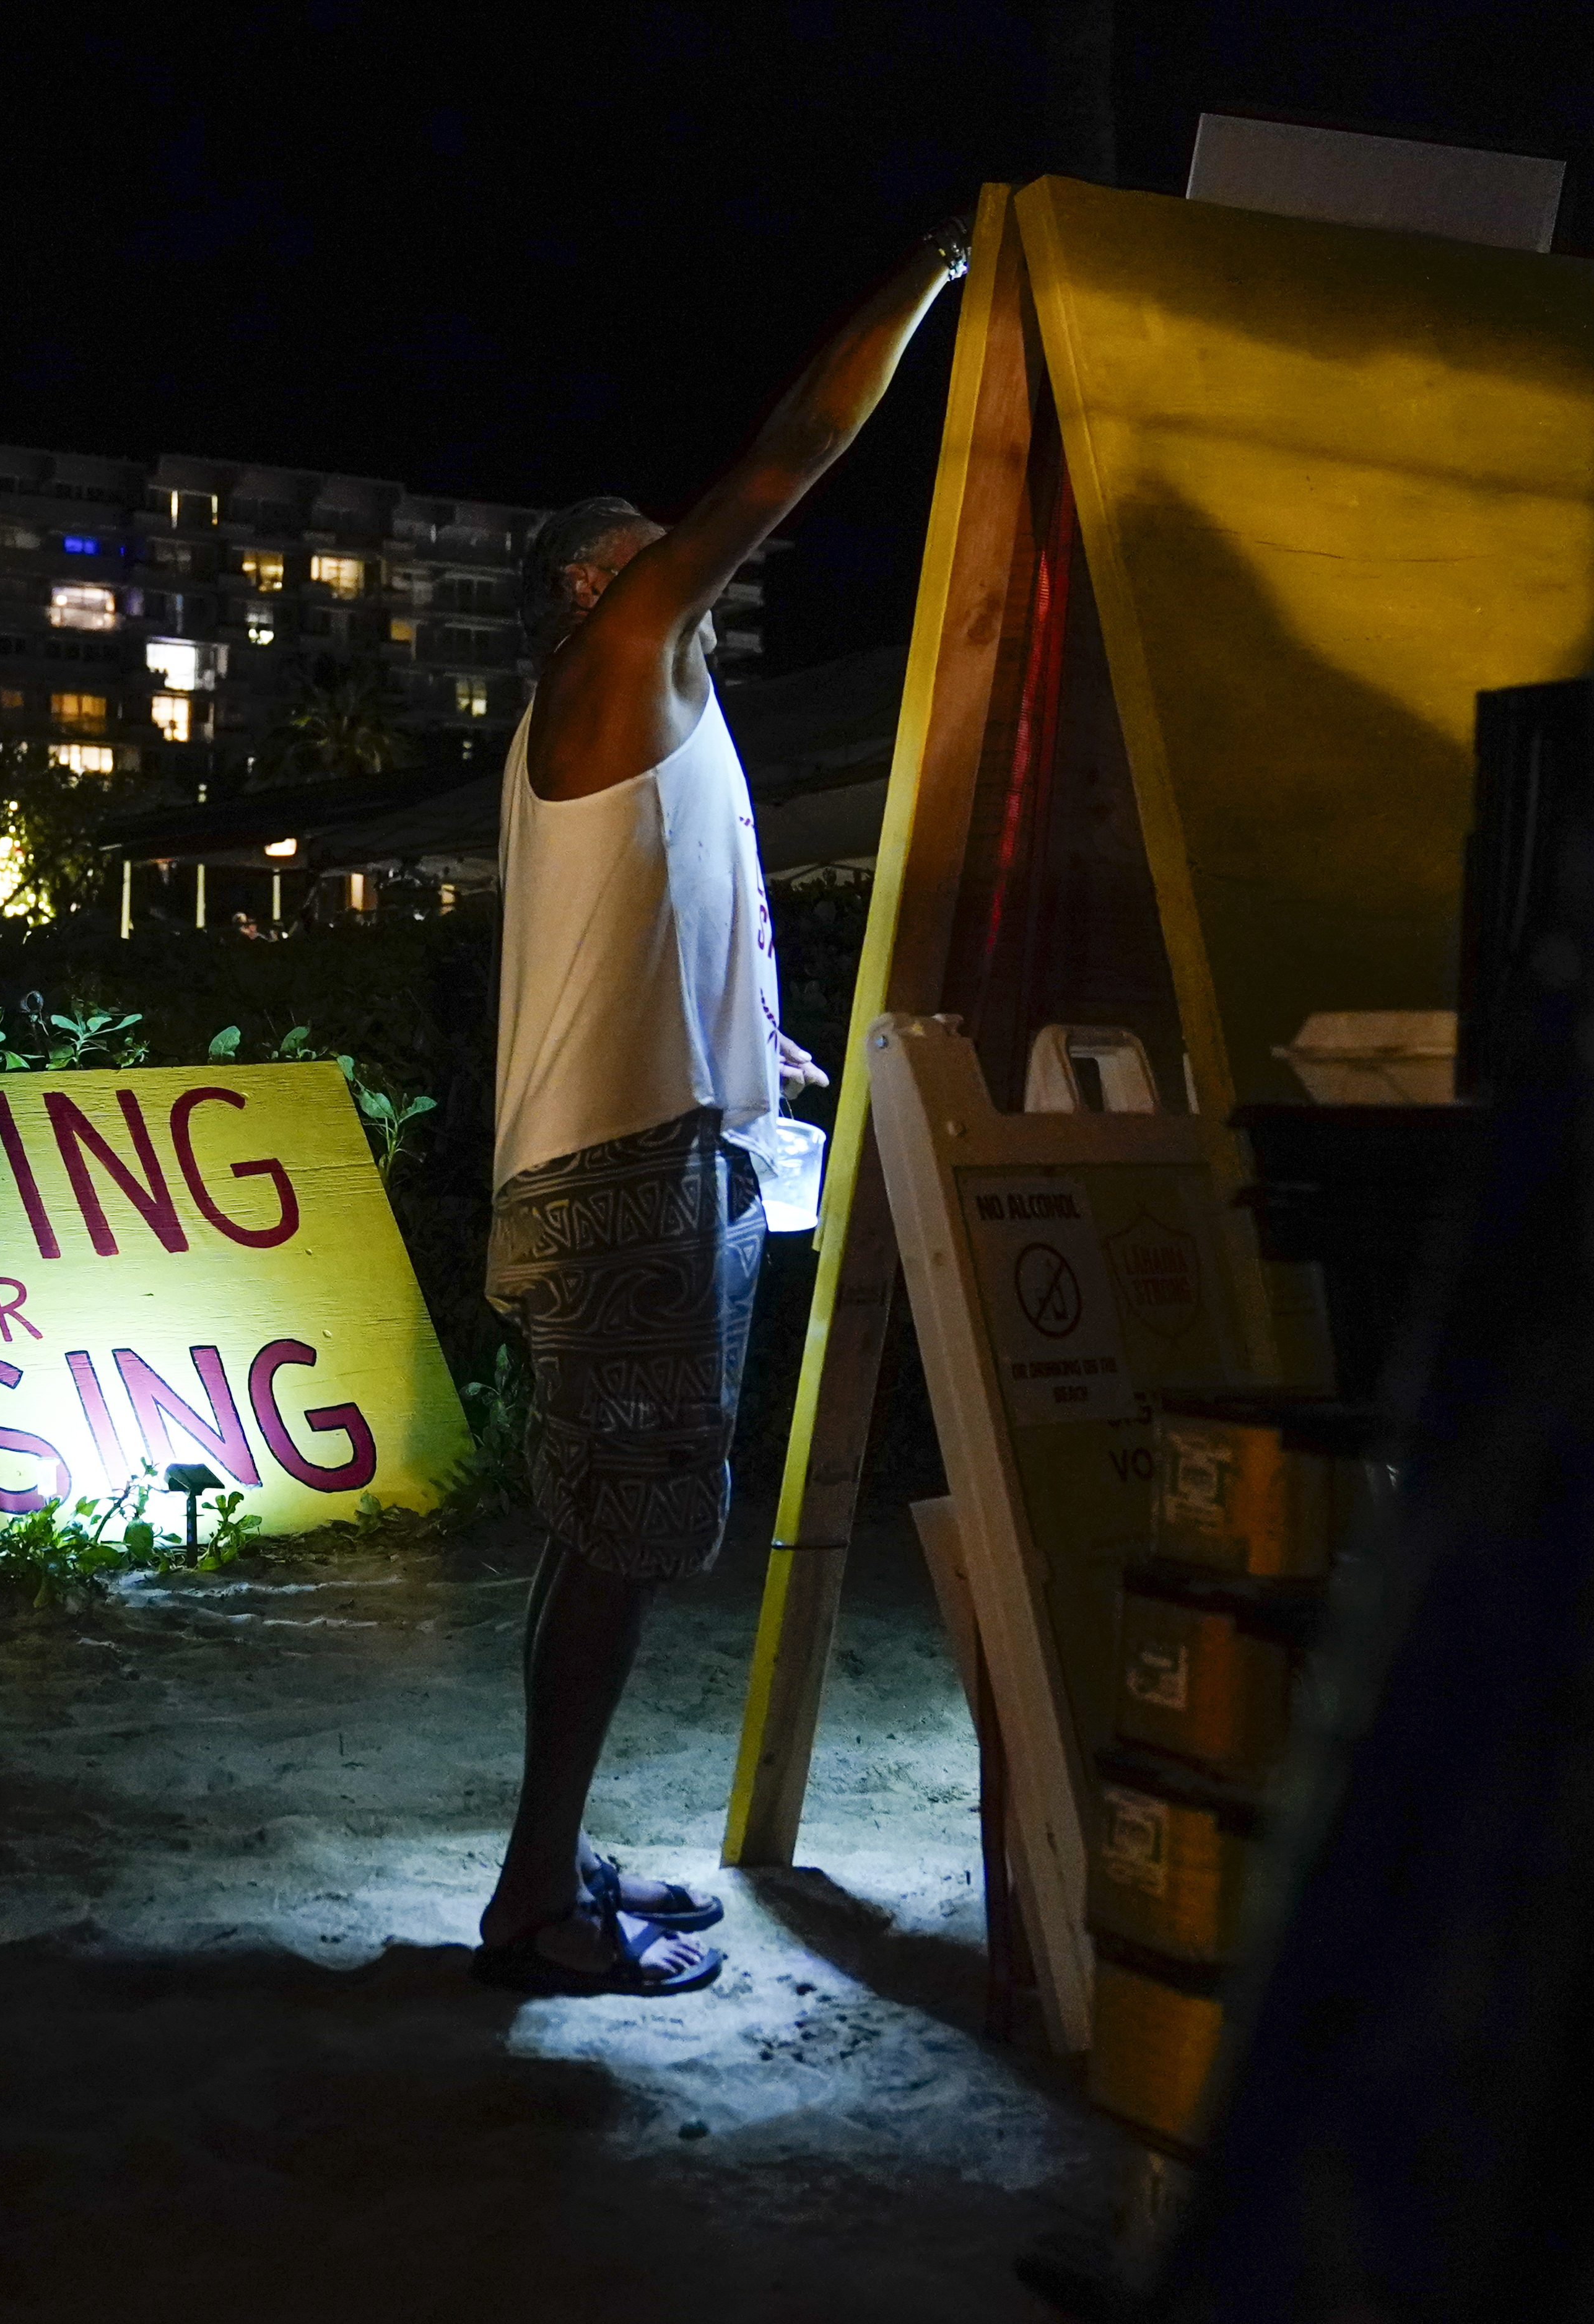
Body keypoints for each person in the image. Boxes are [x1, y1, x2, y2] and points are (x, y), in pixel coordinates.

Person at [475, 212, 974, 1995]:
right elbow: (789, 454)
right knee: (622, 1548)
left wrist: (744, 1042)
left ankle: (553, 1857)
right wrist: (921, 269)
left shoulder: (640, 726)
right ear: (587, 593)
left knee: (601, 1531)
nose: (682, 571)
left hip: (642, 1152)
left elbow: (643, 931)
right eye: (645, 557)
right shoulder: (614, 665)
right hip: (625, 1182)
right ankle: (534, 1910)